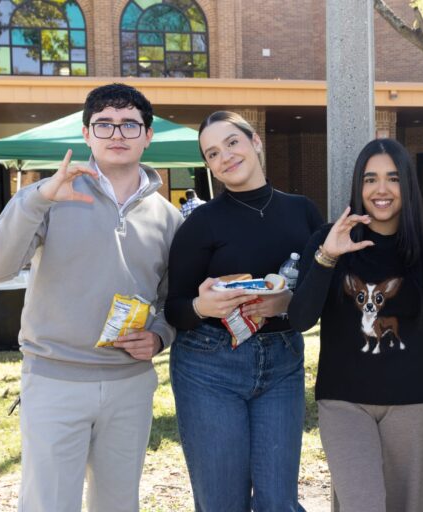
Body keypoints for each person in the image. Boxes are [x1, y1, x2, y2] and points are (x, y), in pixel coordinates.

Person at [0, 83, 183, 512]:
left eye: (130, 124)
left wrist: (159, 337)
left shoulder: (168, 217)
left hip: (130, 384)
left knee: (118, 503)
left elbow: (173, 298)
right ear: (86, 133)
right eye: (104, 124)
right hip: (55, 379)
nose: (117, 133)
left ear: (148, 136)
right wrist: (37, 198)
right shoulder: (48, 195)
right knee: (48, 504)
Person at [165, 111, 323, 512]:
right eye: (212, 153)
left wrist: (287, 302)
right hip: (209, 366)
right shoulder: (200, 224)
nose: (225, 156)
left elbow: (318, 292)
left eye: (232, 142)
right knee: (222, 503)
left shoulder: (303, 211)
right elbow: (175, 308)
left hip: (283, 364)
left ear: (256, 142)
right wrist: (203, 305)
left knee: (278, 503)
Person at [288, 139, 423, 511]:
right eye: (370, 179)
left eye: (393, 178)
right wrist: (327, 257)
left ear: (408, 185)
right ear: (358, 187)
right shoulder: (330, 239)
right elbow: (300, 319)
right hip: (344, 401)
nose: (381, 189)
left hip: (417, 399)